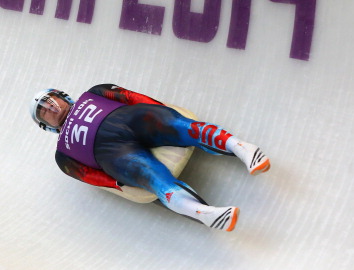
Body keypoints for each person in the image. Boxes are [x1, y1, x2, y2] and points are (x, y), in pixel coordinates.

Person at [29, 84, 270, 232]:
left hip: (132, 118)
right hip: (114, 154)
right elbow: (92, 177)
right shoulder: (63, 156)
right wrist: (118, 184)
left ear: (63, 96)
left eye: (50, 101)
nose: (50, 108)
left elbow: (130, 96)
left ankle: (241, 148)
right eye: (44, 112)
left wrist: (159, 109)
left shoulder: (94, 92)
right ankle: (204, 213)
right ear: (46, 126)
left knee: (178, 125)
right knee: (152, 178)